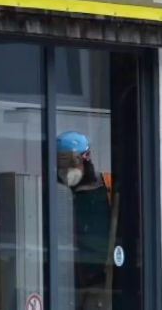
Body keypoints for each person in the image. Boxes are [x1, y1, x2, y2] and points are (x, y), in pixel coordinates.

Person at [56, 131, 114, 310]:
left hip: (99, 284)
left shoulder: (107, 188)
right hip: (64, 283)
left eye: (72, 161)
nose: (66, 170)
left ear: (86, 157)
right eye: (61, 163)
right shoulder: (56, 193)